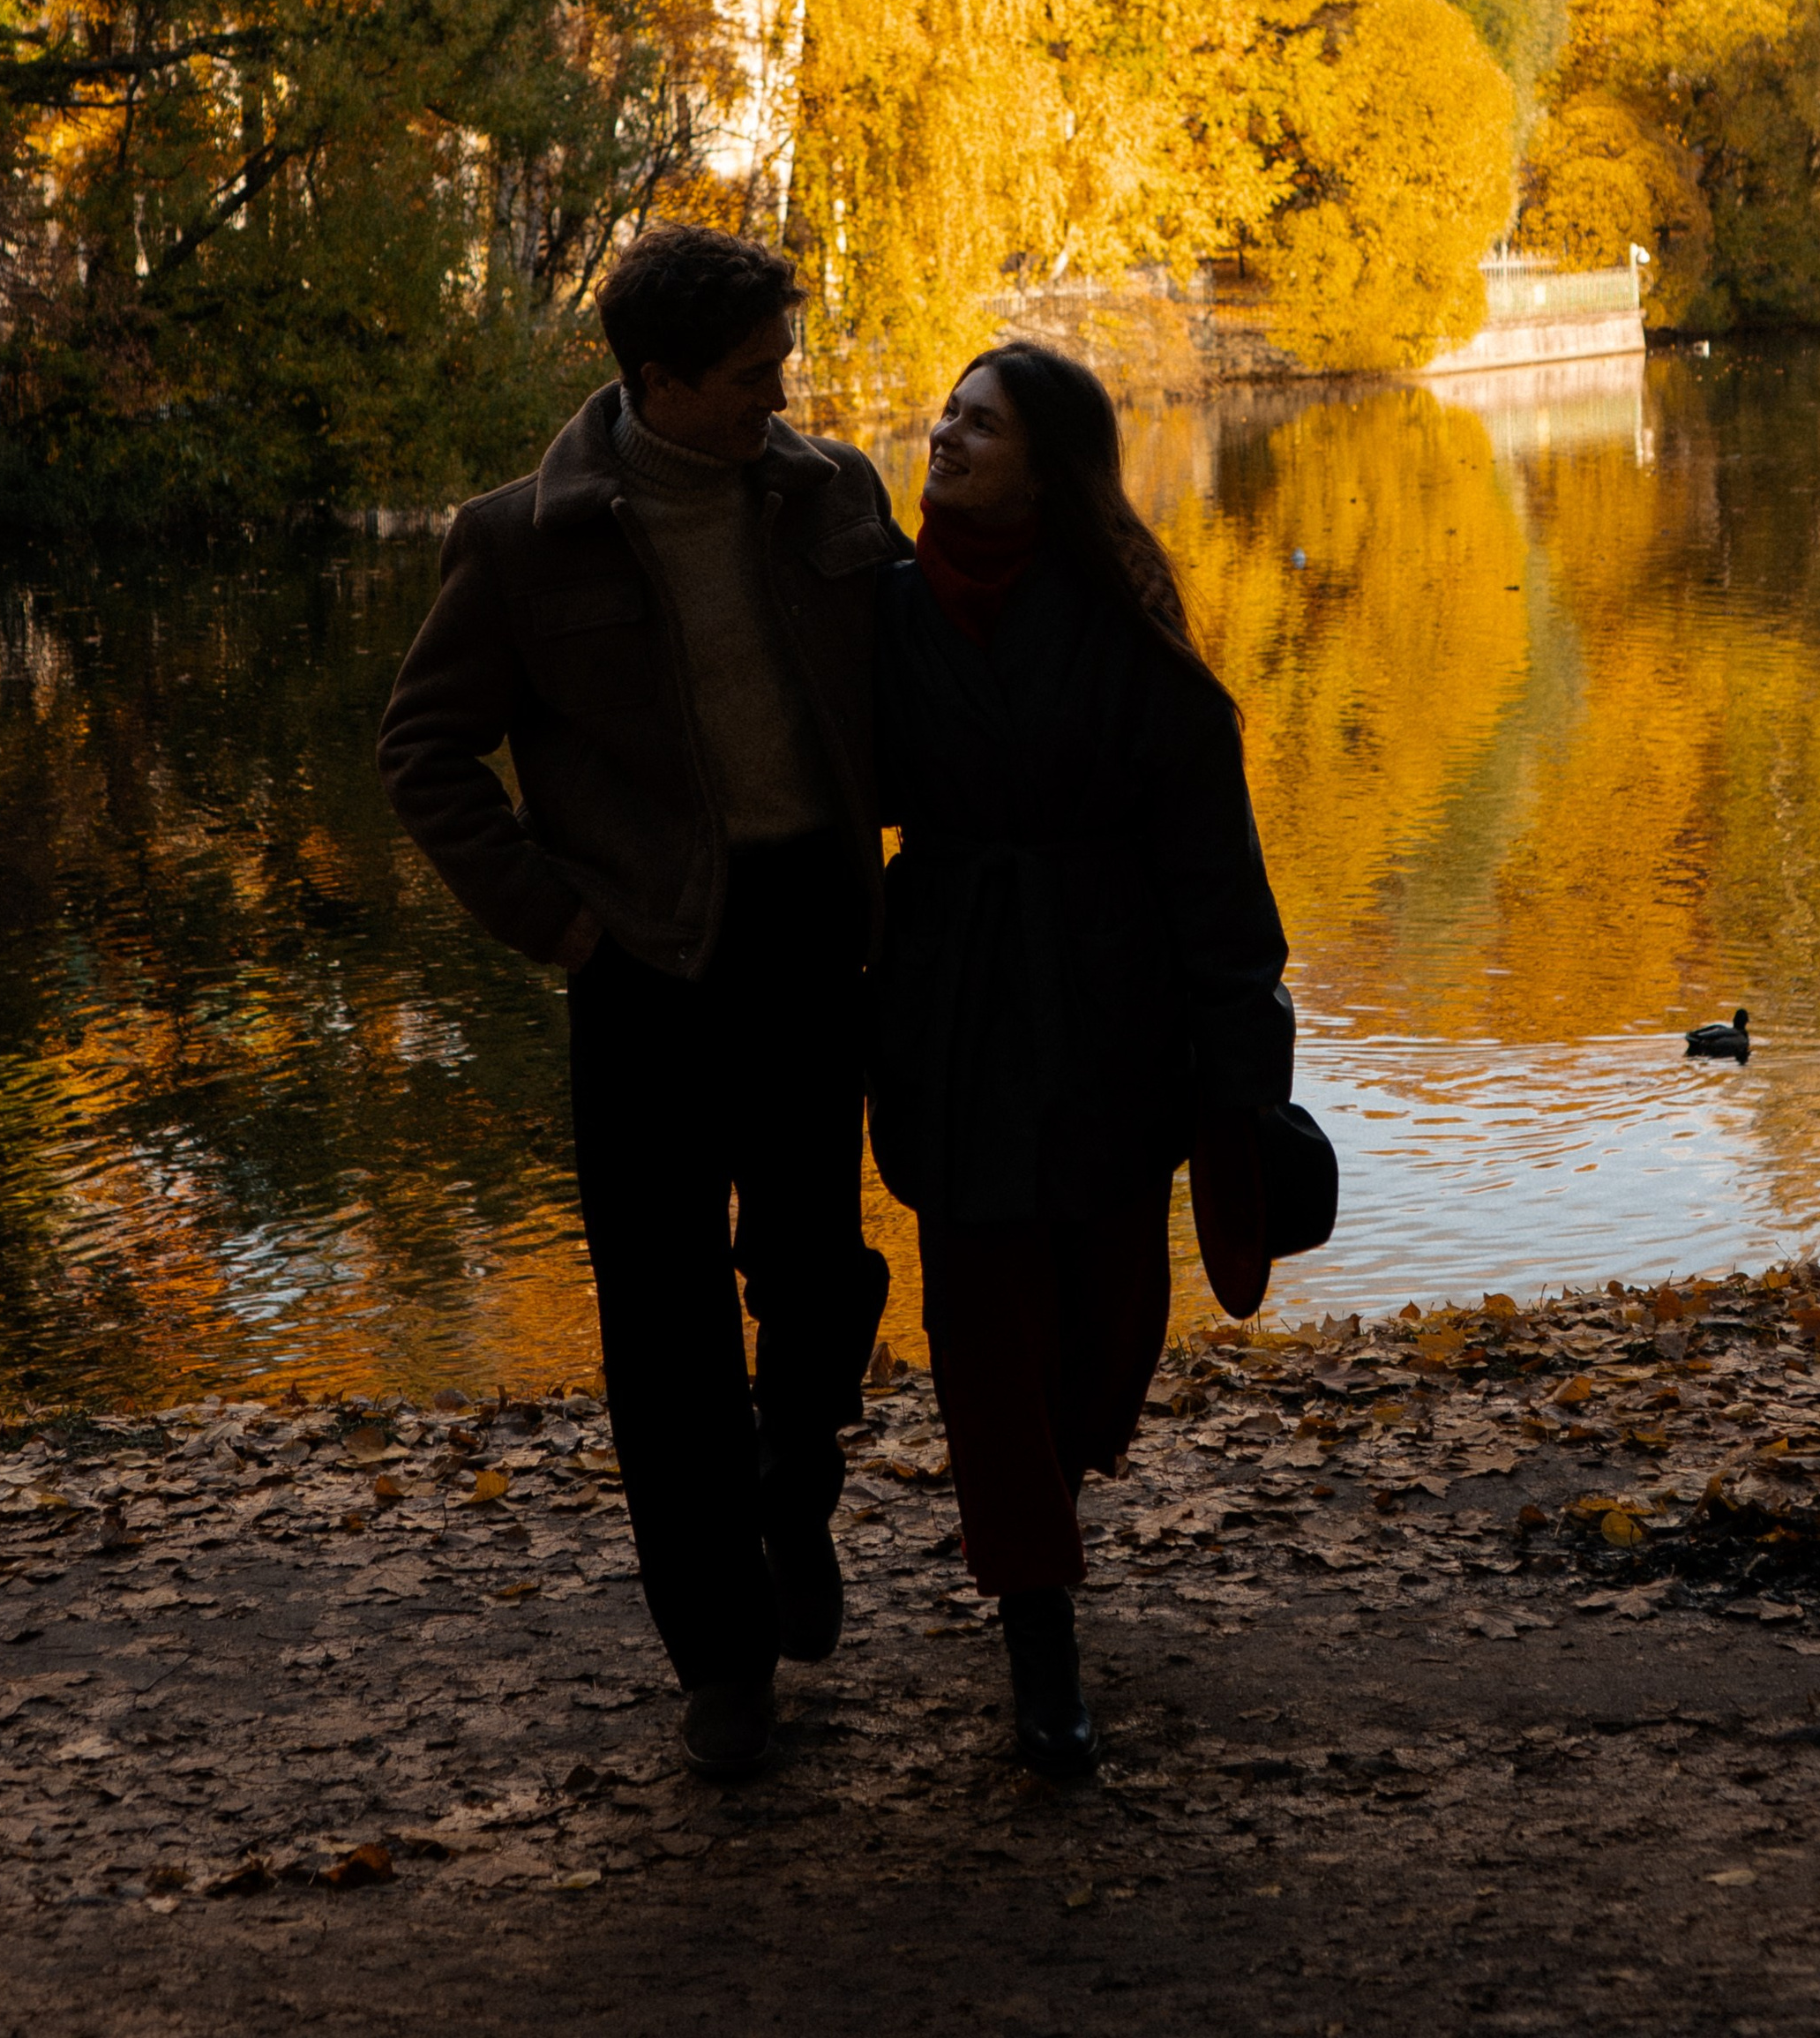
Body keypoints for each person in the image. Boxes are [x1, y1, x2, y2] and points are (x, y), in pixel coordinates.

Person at [378, 225, 902, 1781]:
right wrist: (559, 922)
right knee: (664, 1336)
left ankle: (793, 1482)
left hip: (815, 942)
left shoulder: (831, 491)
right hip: (646, 975)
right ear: (658, 381)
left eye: (781, 369)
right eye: (748, 378)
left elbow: (918, 685)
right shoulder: (522, 543)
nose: (777, 398)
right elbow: (424, 758)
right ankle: (723, 1666)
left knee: (818, 1276)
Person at [869, 342, 1293, 1773]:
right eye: (947, 415)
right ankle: (1037, 1631)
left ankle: (1047, 1492)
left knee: (1105, 1338)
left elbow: (1217, 879)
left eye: (978, 424)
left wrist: (1248, 1073)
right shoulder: (886, 617)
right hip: (955, 1013)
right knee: (985, 1337)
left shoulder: (1124, 633)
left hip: (1114, 1019)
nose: (946, 435)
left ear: (1045, 461)